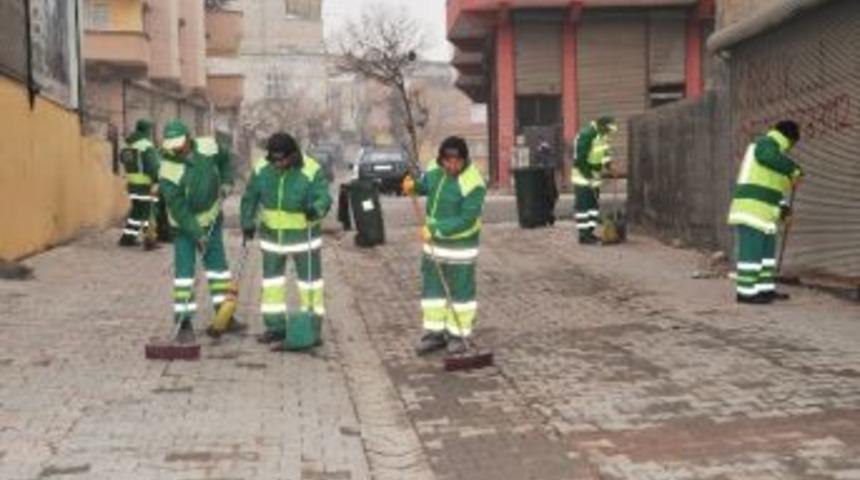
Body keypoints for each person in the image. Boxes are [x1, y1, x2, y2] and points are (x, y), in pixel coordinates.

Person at [240, 132, 332, 346]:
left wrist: (316, 209)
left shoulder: (311, 169)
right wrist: (247, 222)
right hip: (273, 238)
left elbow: (324, 197)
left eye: (282, 159)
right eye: (274, 160)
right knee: (272, 285)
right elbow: (250, 197)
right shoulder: (263, 169)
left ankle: (312, 329)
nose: (278, 164)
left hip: (304, 237)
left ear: (293, 155)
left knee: (310, 285)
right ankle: (275, 327)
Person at [158, 120, 242, 342]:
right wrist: (197, 234)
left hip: (212, 218)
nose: (176, 149)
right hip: (184, 227)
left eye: (180, 144)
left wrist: (226, 181)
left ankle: (225, 315)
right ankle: (183, 322)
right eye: (172, 146)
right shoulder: (167, 170)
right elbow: (179, 209)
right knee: (185, 274)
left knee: (218, 271)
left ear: (188, 138)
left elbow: (226, 161)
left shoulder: (207, 146)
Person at [402, 136, 487, 355]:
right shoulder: (434, 169)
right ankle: (434, 333)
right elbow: (426, 186)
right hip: (434, 245)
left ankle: (459, 333)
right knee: (433, 292)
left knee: (461, 292)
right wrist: (414, 186)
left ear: (464, 159)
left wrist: (437, 228)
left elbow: (467, 218)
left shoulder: (473, 182)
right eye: (447, 161)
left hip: (461, 247)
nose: (452, 166)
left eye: (457, 161)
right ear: (441, 159)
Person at [728, 120, 803, 304]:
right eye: (793, 143)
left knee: (767, 255)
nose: (791, 148)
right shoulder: (765, 144)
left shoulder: (777, 158)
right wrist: (794, 169)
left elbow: (777, 190)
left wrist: (785, 210)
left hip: (766, 215)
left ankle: (765, 289)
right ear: (788, 139)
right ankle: (745, 293)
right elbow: (766, 157)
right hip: (751, 211)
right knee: (751, 253)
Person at [571, 116, 617, 244]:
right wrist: (588, 176)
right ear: (601, 126)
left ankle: (590, 233)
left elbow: (604, 153)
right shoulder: (587, 135)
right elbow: (579, 159)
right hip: (582, 177)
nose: (609, 132)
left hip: (594, 176)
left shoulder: (602, 136)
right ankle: (583, 235)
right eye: (608, 129)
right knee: (583, 207)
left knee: (593, 206)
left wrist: (609, 166)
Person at [118, 119, 160, 248]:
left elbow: (122, 159)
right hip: (145, 185)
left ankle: (127, 238)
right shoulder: (146, 145)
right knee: (149, 213)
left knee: (136, 212)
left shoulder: (127, 144)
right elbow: (152, 166)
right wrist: (156, 180)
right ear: (147, 130)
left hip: (132, 184)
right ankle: (150, 241)